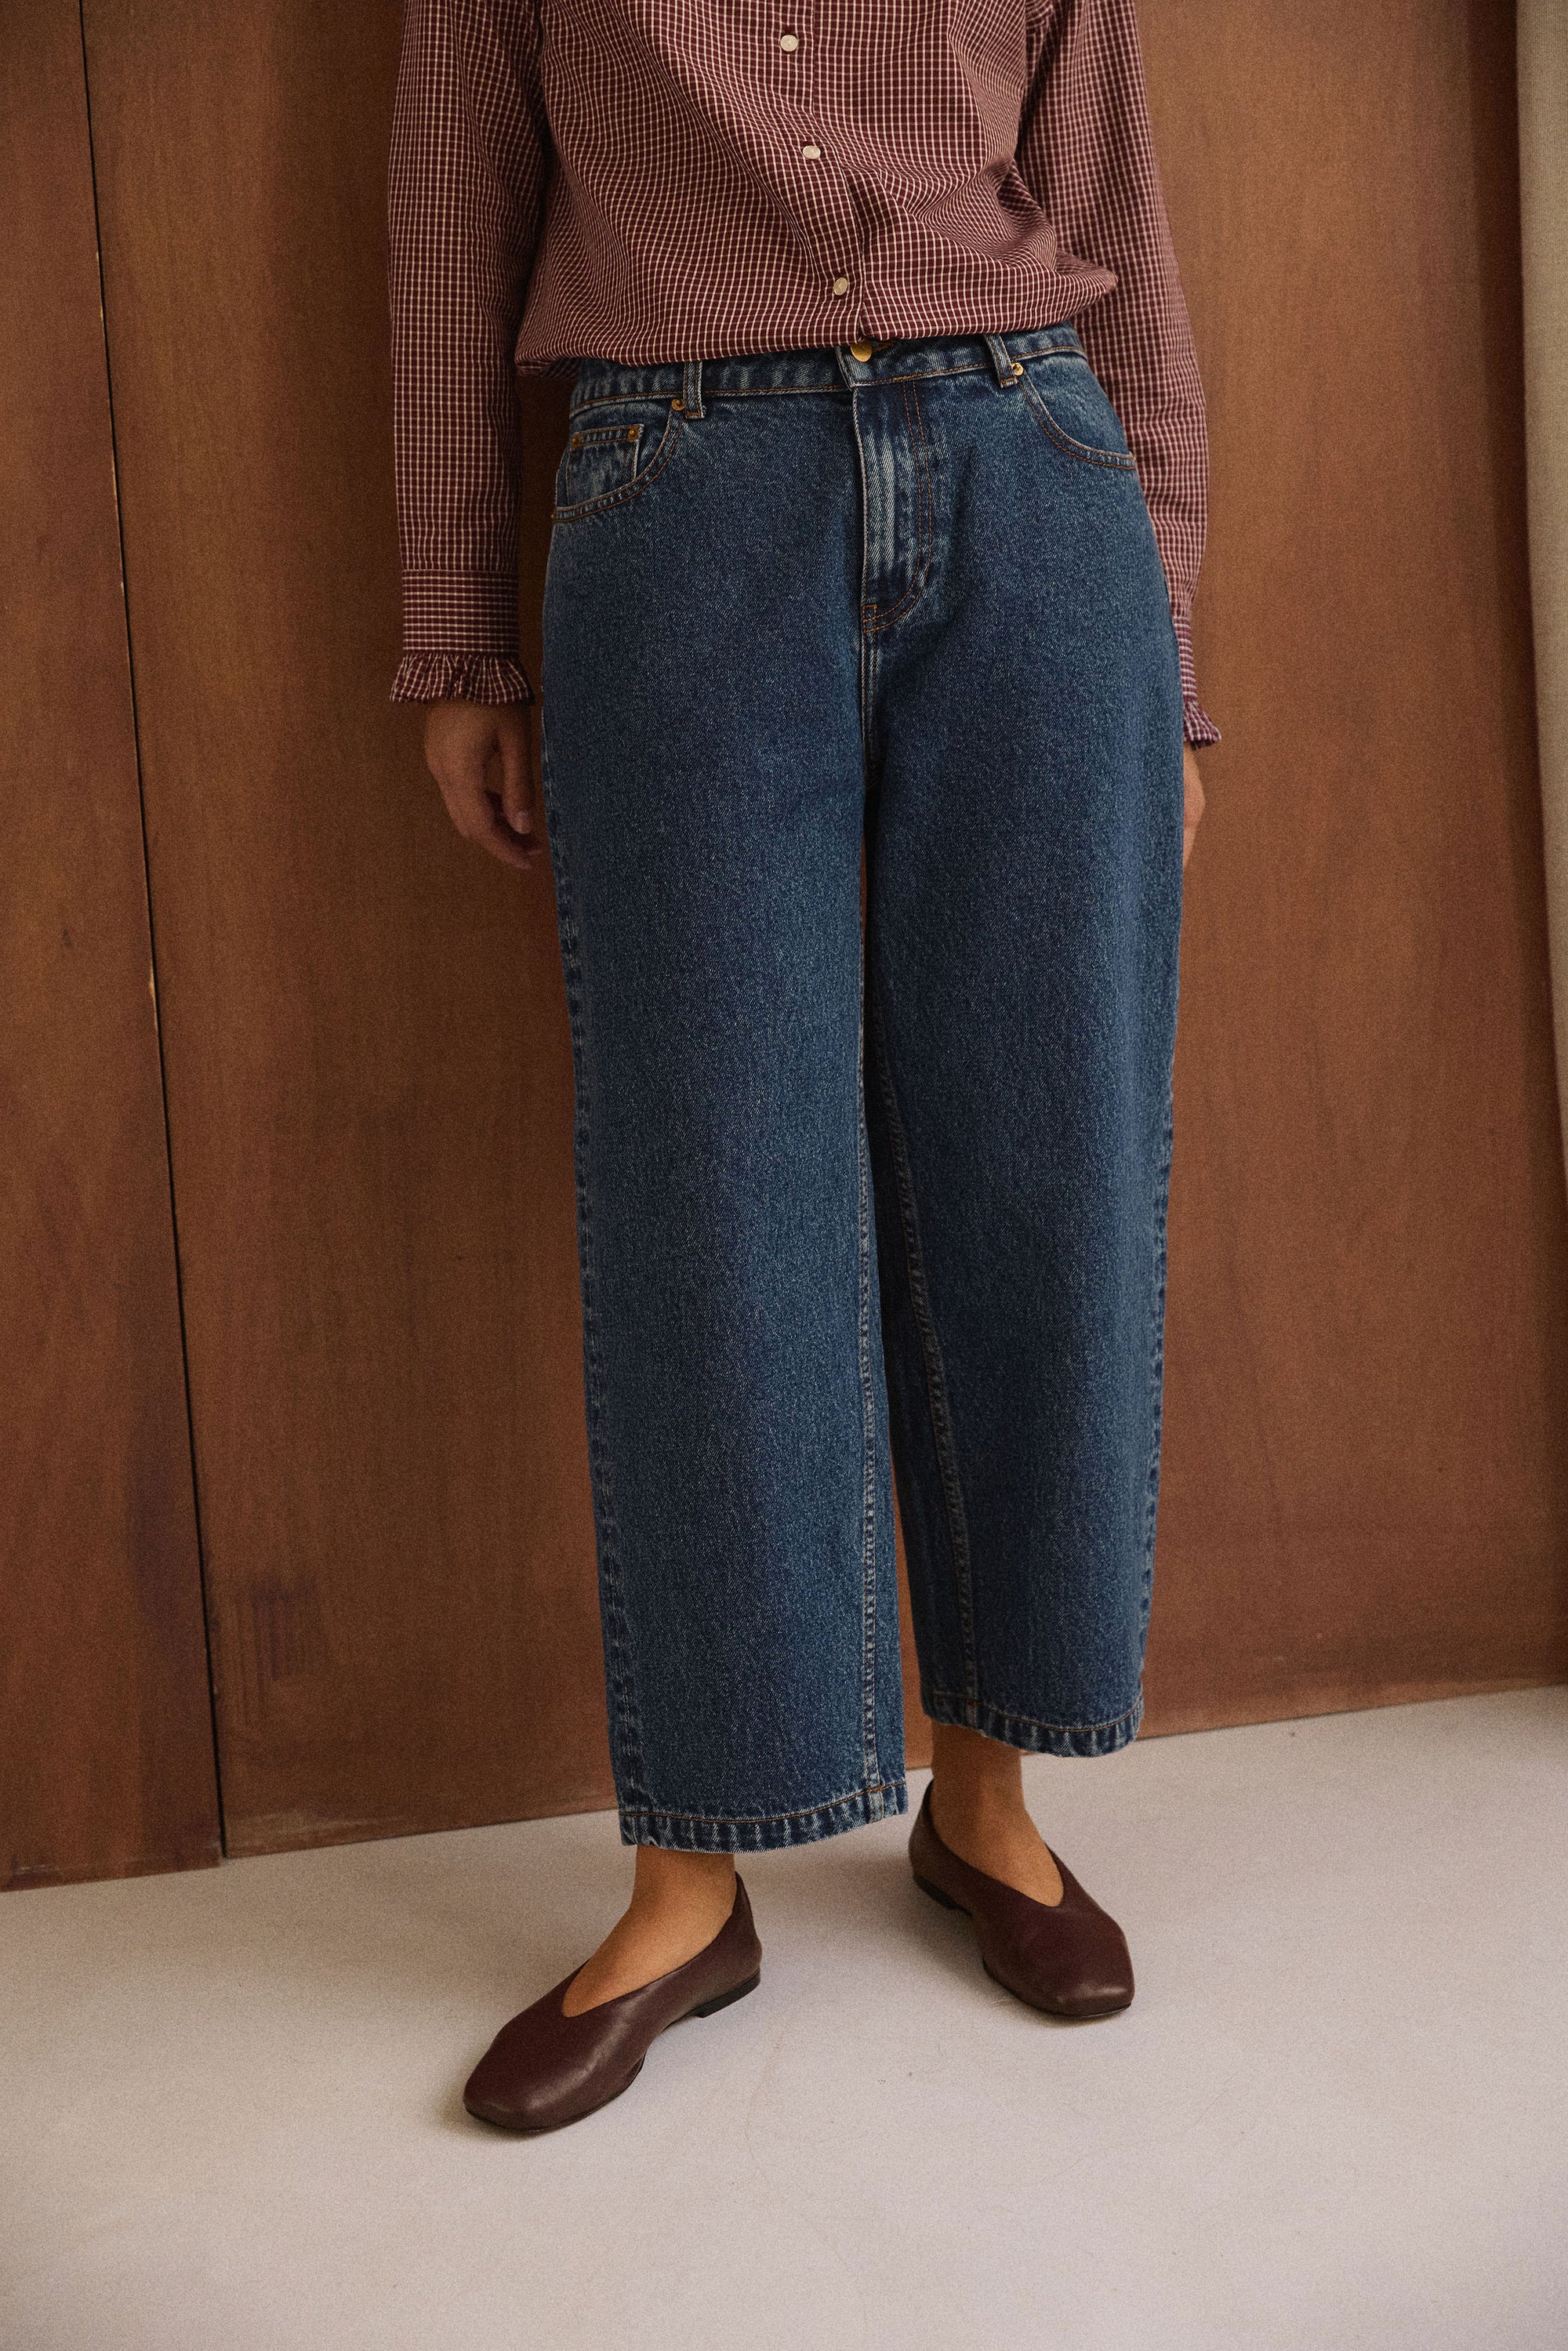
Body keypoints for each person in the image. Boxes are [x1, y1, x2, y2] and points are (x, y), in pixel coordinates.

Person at [387, 0, 1218, 2135]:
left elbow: (1117, 218)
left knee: (1043, 1157)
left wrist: (1170, 652)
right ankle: (694, 1877)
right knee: (712, 1192)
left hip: (1032, 472)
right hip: (679, 492)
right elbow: (452, 230)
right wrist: (458, 633)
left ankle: (992, 1801)